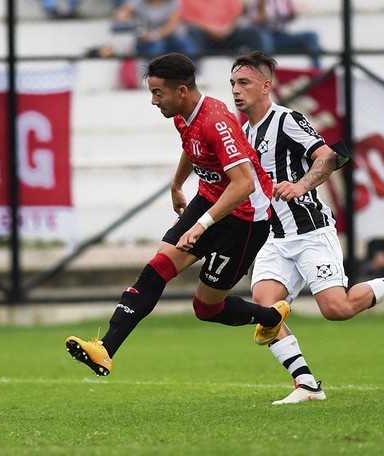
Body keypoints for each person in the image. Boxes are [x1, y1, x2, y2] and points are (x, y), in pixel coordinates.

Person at [229, 51, 384, 404]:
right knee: (265, 309)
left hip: (310, 230)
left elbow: (330, 156)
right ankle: (307, 384)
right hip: (274, 237)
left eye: (244, 83)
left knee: (336, 309)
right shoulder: (244, 131)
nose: (236, 90)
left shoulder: (286, 119)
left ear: (266, 87)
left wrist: (301, 185)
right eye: (233, 83)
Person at [65, 52, 290, 378]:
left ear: (182, 90)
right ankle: (105, 350)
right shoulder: (183, 113)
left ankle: (270, 318)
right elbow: (191, 143)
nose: (154, 101)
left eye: (158, 93)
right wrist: (176, 184)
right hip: (209, 200)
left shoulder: (216, 121)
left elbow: (244, 184)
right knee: (156, 270)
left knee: (206, 308)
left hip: (245, 218)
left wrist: (202, 225)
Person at [246, 0, 322, 69]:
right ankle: (267, 72)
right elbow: (255, 19)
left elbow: (291, 15)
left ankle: (317, 71)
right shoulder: (256, 2)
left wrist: (295, 11)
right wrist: (275, 14)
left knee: (312, 36)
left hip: (281, 36)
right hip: (263, 38)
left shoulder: (286, 1)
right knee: (265, 38)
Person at [181, 0, 271, 56]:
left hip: (228, 35)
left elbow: (237, 14)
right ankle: (197, 68)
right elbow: (188, 20)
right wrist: (212, 29)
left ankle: (261, 66)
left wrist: (229, 28)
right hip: (204, 37)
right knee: (192, 32)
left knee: (253, 32)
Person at [112, 0, 199, 59]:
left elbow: (171, 27)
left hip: (169, 37)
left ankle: (195, 73)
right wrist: (125, 18)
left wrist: (153, 35)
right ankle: (151, 74)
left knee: (185, 43)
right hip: (146, 41)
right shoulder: (138, 2)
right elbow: (121, 15)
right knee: (157, 45)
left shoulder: (173, 2)